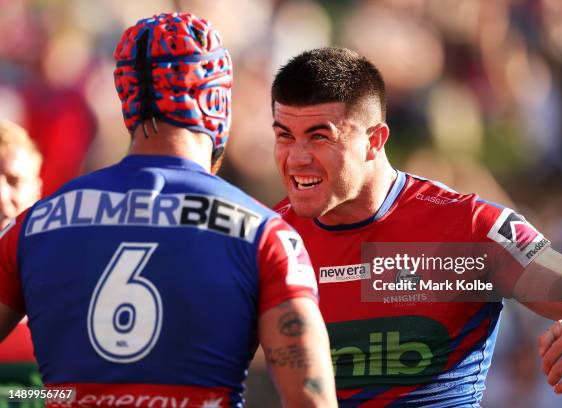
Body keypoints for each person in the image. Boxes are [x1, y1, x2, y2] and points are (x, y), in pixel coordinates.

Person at [0, 13, 336, 407]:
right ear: (217, 101)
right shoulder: (264, 234)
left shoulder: (34, 227)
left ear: (127, 98)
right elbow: (311, 400)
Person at [270, 47, 562, 406]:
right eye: (284, 136)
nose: (297, 158)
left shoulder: (468, 230)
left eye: (319, 137)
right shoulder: (266, 239)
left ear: (374, 140)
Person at [0, 120, 42, 399]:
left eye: (14, 181)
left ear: (38, 189)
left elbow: (76, 395)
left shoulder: (64, 274)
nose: (2, 197)